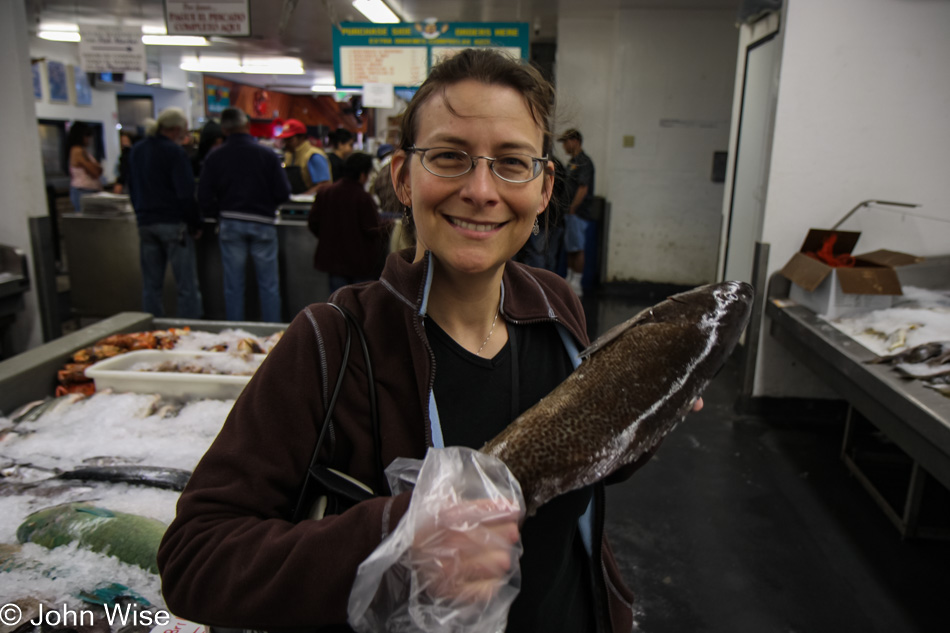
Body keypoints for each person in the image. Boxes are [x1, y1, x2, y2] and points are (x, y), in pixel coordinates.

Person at [158, 49, 701, 632]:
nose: (481, 190)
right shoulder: (332, 340)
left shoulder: (555, 309)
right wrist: (403, 536)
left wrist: (634, 428)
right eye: (449, 157)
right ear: (402, 177)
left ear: (544, 189)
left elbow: (559, 474)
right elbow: (196, 558)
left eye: (513, 163)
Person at [198, 107, 291, 322]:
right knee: (269, 285)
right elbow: (283, 192)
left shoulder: (216, 156)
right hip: (263, 223)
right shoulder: (267, 154)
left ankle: (235, 332)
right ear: (247, 125)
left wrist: (217, 212)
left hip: (230, 223)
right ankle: (273, 335)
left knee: (233, 285)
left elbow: (203, 195)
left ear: (224, 129)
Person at [127, 107, 203, 319]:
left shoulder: (138, 149)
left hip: (146, 223)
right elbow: (185, 192)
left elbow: (131, 186)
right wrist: (195, 223)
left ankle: (153, 328)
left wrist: (140, 214)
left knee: (151, 285)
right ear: (177, 129)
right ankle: (190, 330)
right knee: (186, 284)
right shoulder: (174, 152)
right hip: (173, 224)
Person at [308, 152, 386, 292]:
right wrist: (389, 224)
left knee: (338, 304)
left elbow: (313, 222)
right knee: (361, 307)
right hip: (361, 265)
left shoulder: (325, 193)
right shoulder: (363, 198)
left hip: (333, 262)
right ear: (363, 175)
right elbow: (372, 229)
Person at [559, 128, 595, 297]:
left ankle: (577, 282)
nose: (564, 146)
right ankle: (570, 278)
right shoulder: (572, 162)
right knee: (571, 247)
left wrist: (573, 207)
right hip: (569, 212)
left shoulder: (584, 162)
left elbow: (583, 187)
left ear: (575, 141)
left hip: (578, 212)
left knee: (577, 247)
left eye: (566, 142)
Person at [277, 119, 330, 194]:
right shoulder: (289, 155)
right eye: (285, 140)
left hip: (310, 203)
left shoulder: (314, 156)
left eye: (289, 139)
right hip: (293, 203)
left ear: (301, 138)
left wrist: (303, 197)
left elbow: (324, 185)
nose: (286, 143)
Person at [67, 122, 103, 211]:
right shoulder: (78, 151)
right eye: (87, 136)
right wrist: (97, 167)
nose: (89, 139)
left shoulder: (83, 151)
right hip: (83, 190)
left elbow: (99, 170)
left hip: (88, 189)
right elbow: (95, 171)